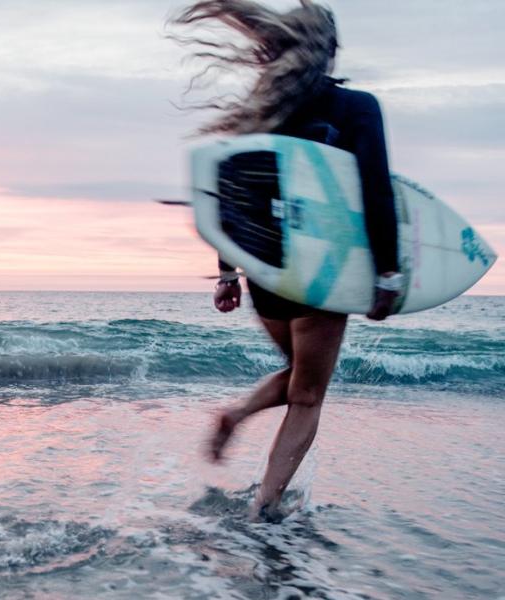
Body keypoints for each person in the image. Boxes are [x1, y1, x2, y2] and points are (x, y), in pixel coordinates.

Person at [171, 0, 403, 521]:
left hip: (266, 271)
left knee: (299, 374)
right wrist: (388, 273)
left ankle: (239, 418)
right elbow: (375, 191)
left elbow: (233, 198)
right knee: (309, 394)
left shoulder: (262, 110)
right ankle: (266, 505)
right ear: (330, 51)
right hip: (325, 267)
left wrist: (228, 272)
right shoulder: (356, 107)